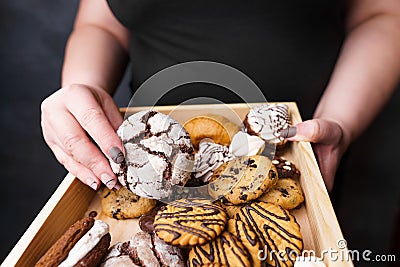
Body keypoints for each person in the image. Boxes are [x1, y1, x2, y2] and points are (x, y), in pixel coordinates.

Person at [40, 0, 400, 192]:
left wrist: (340, 120)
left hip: (300, 151)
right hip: (144, 164)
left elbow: (382, 13)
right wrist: (83, 92)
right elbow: (101, 23)